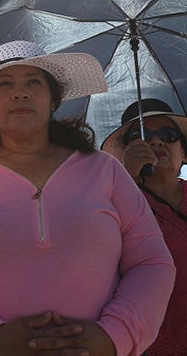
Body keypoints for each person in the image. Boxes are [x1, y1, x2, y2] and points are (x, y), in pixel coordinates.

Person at [0, 40, 176, 356]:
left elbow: (152, 262)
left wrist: (114, 336)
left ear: (53, 99)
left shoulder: (105, 170)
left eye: (33, 81)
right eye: (5, 83)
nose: (20, 92)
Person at [101, 98, 187, 356]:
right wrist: (125, 179)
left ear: (183, 151)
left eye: (168, 135)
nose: (156, 141)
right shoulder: (111, 204)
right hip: (148, 345)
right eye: (142, 135)